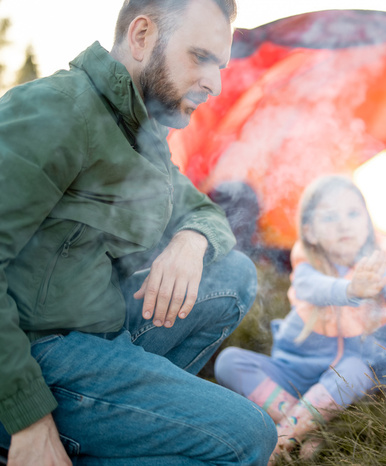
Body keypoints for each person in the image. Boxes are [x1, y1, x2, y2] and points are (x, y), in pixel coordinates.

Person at [0, 0, 277, 464]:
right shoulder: (57, 110)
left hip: (102, 334)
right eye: (200, 57)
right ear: (142, 36)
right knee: (248, 438)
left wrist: (192, 242)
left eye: (220, 65)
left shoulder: (143, 134)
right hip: (36, 352)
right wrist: (27, 418)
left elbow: (204, 212)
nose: (215, 82)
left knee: (233, 276)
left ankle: (117, 432)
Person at [214, 175, 386, 461]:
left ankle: (285, 435)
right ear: (310, 232)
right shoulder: (307, 268)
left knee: (358, 370)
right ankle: (305, 426)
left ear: (367, 223)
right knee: (230, 362)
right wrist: (350, 289)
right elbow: (315, 289)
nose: (343, 224)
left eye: (352, 214)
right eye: (330, 217)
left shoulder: (373, 268)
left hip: (341, 387)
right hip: (292, 372)